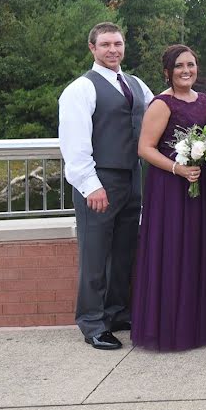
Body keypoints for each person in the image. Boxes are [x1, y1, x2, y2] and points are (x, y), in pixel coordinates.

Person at [130, 45, 206, 351]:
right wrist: (178, 167)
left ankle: (203, 319)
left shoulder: (204, 100)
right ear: (168, 71)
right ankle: (175, 323)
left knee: (203, 247)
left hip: (203, 183)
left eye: (191, 64)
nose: (186, 70)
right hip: (170, 187)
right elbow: (145, 148)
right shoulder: (162, 103)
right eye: (179, 66)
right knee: (176, 249)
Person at [58, 22, 153, 350]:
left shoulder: (138, 85)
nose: (113, 49)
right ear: (92, 48)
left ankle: (115, 312)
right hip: (100, 181)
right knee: (95, 255)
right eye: (106, 44)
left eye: (118, 43)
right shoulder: (80, 90)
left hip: (132, 177)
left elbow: (155, 124)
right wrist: (90, 185)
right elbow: (74, 143)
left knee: (124, 251)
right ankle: (92, 322)